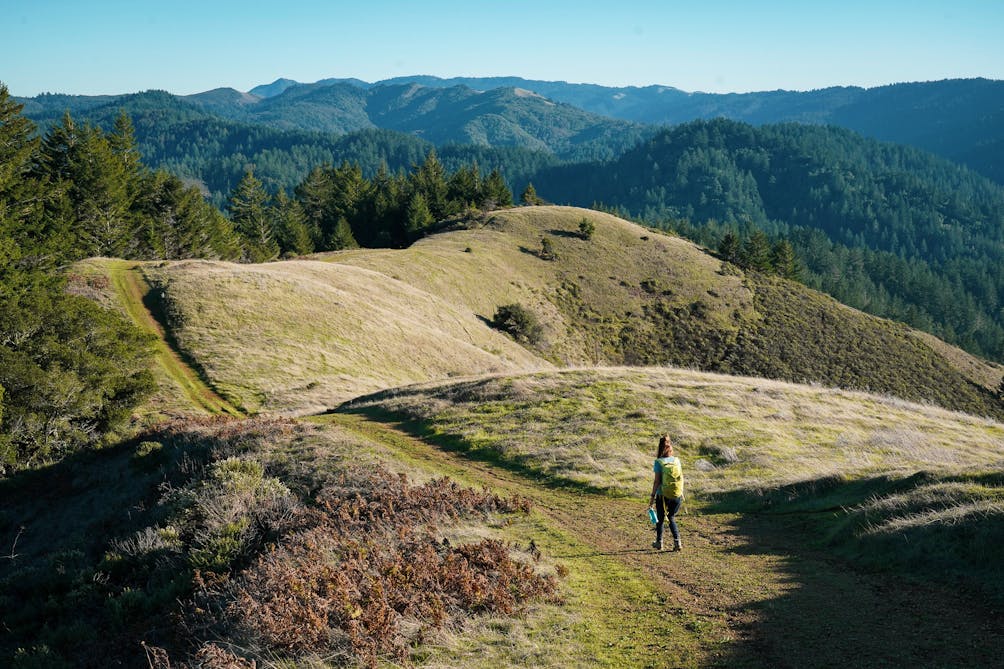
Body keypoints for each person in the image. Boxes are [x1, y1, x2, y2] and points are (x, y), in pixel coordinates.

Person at [648, 434, 684, 551]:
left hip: (663, 495)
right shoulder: (677, 461)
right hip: (677, 494)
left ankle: (659, 542)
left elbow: (657, 481)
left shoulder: (659, 462)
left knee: (660, 519)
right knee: (671, 517)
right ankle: (677, 542)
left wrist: (652, 497)